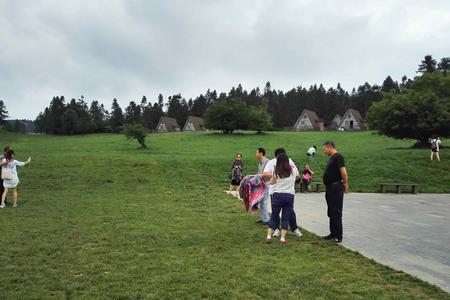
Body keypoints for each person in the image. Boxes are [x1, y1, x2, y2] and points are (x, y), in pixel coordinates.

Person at [263, 148, 302, 238]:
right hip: (275, 191)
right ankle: (277, 231)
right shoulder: (271, 163)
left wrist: (279, 175)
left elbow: (297, 175)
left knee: (289, 212)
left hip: (283, 192)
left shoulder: (290, 162)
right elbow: (265, 173)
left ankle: (294, 228)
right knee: (276, 213)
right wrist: (280, 175)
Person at [322, 141, 349, 243]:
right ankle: (332, 233)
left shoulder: (338, 157)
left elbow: (344, 172)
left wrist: (345, 184)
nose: (324, 151)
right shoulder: (332, 158)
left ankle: (338, 235)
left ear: (330, 147)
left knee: (336, 211)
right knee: (331, 211)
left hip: (336, 187)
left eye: (325, 149)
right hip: (330, 188)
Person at [255, 147, 270, 224]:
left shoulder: (268, 162)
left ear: (261, 153)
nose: (256, 154)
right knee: (260, 201)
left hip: (266, 184)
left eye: (257, 152)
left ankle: (266, 219)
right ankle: (262, 218)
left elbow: (270, 174)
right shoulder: (260, 162)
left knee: (264, 202)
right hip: (260, 184)